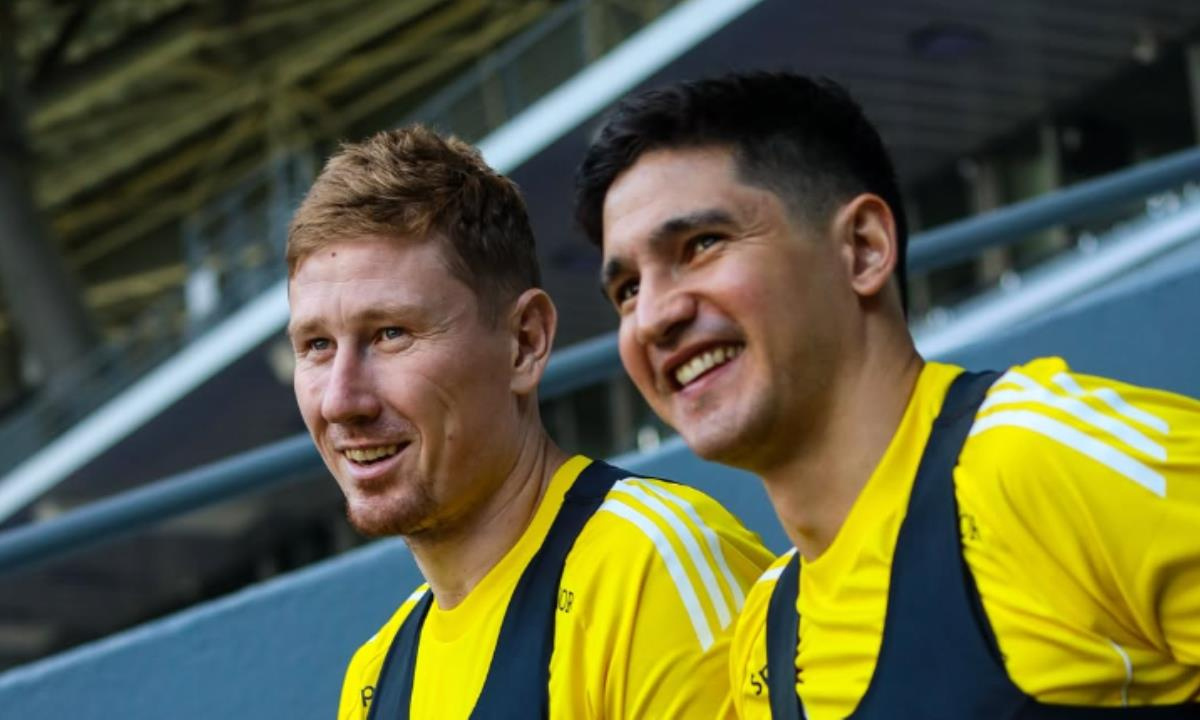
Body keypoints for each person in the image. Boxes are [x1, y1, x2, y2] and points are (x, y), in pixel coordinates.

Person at [574, 71, 1200, 718]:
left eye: (702, 245)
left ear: (864, 249)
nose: (653, 317)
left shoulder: (1041, 461)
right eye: (627, 290)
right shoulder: (765, 636)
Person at [286, 125, 774, 720]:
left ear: (524, 342)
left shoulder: (648, 569)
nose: (341, 401)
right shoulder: (374, 676)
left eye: (391, 334)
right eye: (316, 345)